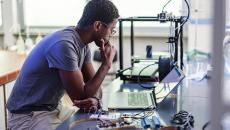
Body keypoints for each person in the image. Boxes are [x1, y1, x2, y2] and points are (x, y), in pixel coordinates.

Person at [6, 0, 119, 129]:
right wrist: (106, 65)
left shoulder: (83, 45)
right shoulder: (64, 44)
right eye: (112, 29)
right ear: (97, 25)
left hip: (53, 108)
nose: (111, 35)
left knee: (100, 123)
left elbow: (95, 89)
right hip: (28, 115)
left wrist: (96, 100)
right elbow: (80, 97)